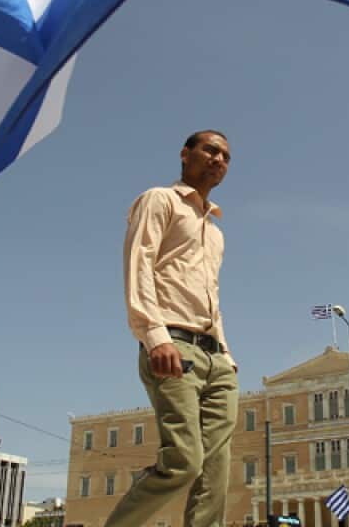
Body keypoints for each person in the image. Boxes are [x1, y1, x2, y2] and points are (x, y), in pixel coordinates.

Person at [105, 130, 239, 527]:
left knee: (216, 473)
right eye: (210, 150)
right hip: (174, 347)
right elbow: (139, 264)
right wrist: (155, 335)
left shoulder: (216, 231)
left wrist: (227, 355)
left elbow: (210, 295)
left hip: (217, 358)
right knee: (183, 460)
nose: (218, 159)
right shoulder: (159, 200)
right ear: (186, 154)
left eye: (226, 157)